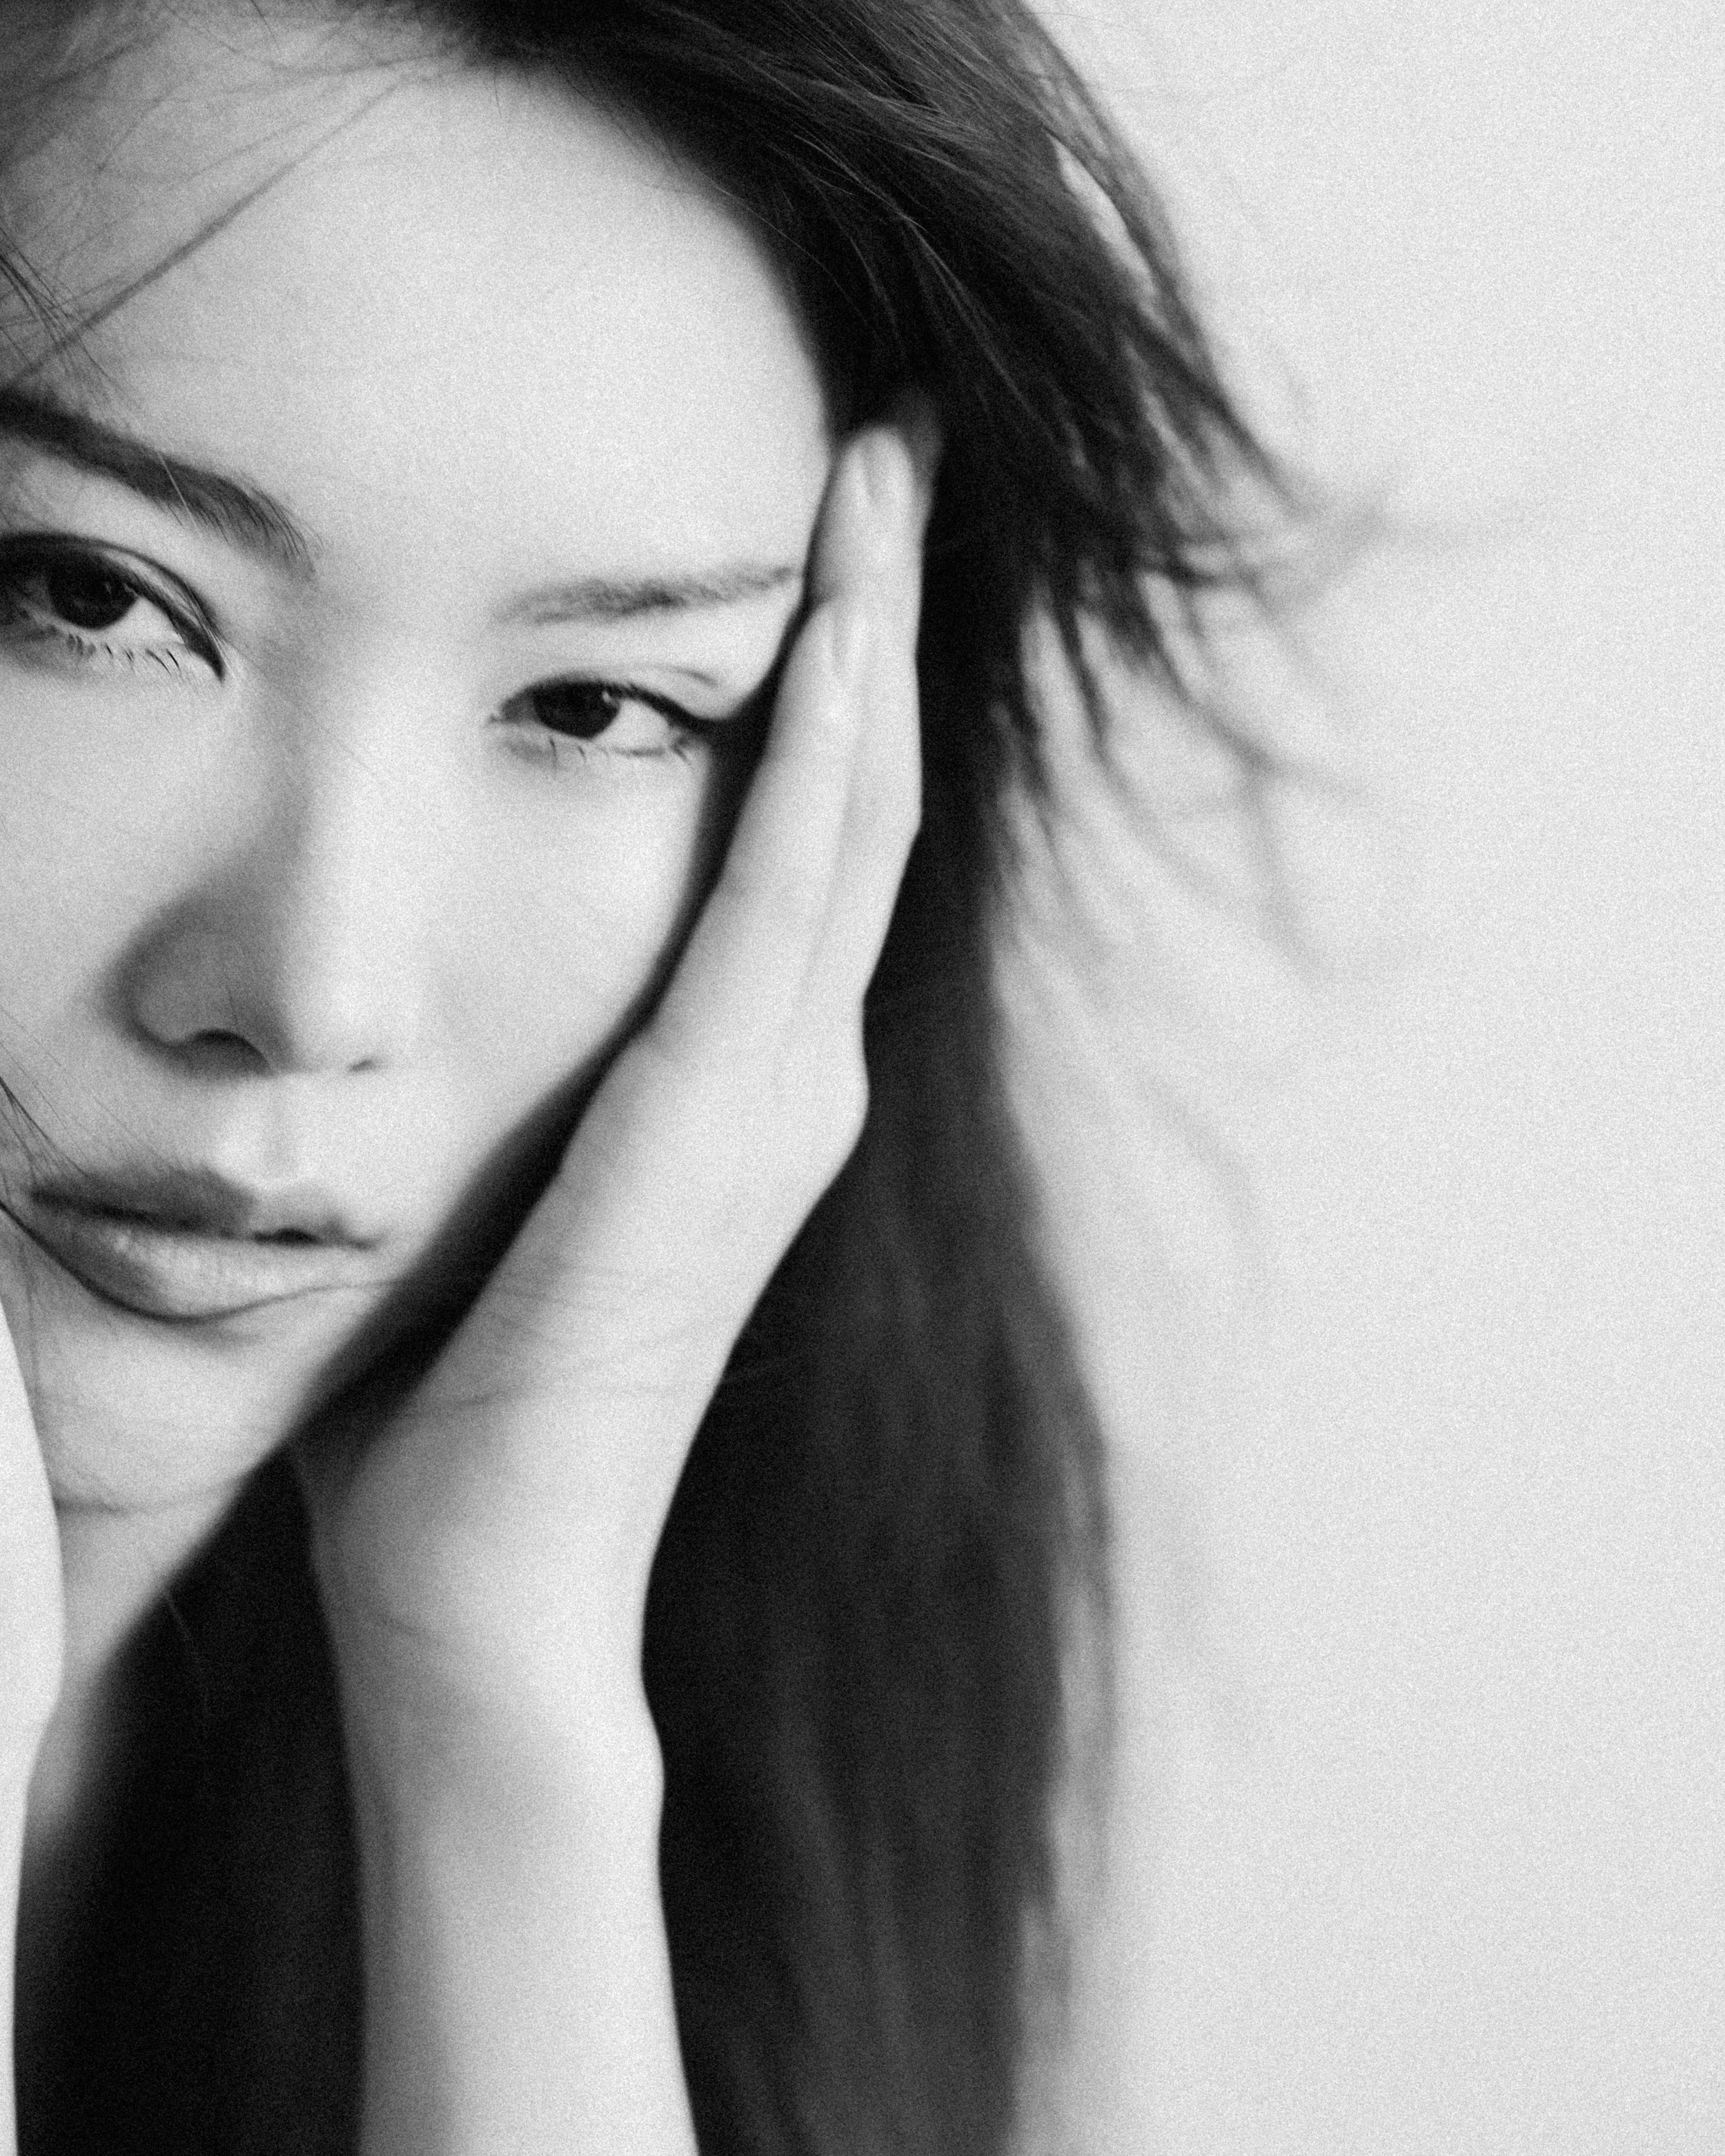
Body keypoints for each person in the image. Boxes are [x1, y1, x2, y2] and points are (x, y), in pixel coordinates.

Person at [0, 2, 1291, 2149]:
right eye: (87, 595)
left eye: (601, 708)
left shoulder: (776, 1708)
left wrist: (498, 1702)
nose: (315, 990)